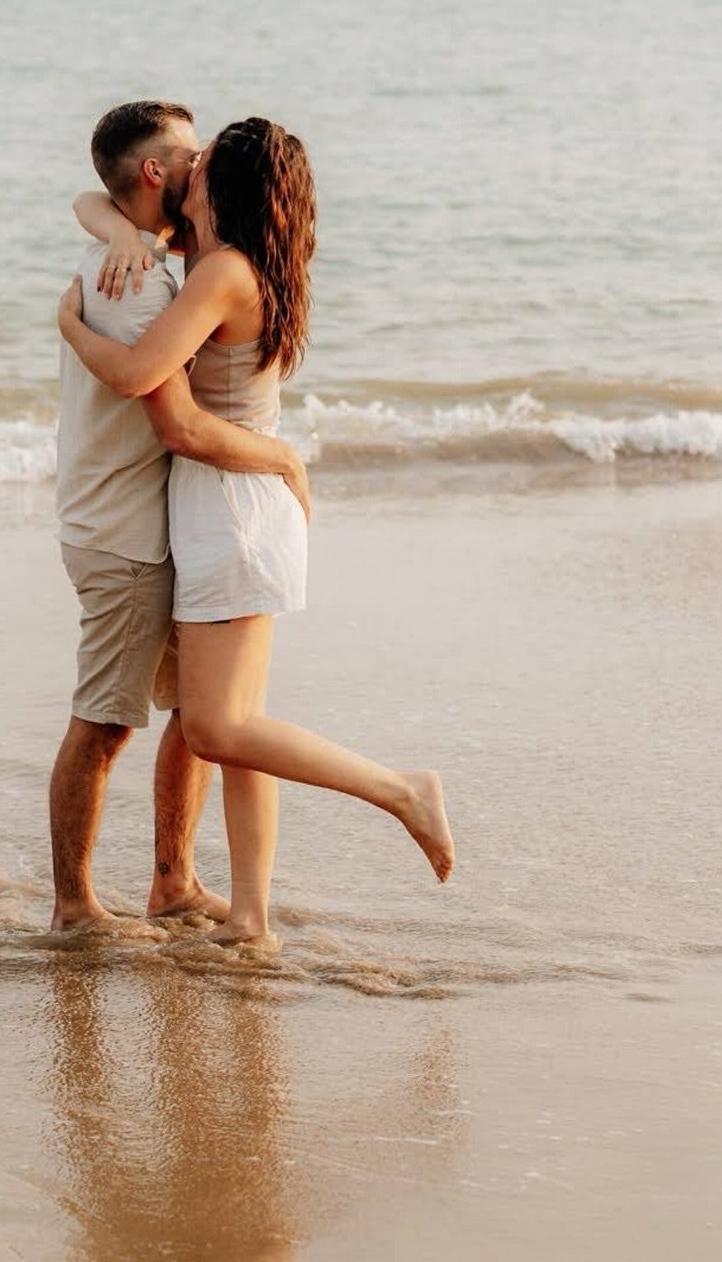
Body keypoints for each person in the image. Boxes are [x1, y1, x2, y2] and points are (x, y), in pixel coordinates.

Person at [59, 116, 454, 948]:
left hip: (231, 513)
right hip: (231, 511)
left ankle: (401, 789)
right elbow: (94, 198)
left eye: (204, 164)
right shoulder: (234, 263)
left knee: (219, 729)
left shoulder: (221, 274)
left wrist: (72, 328)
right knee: (240, 733)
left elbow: (148, 389)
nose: (191, 168)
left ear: (220, 189)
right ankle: (250, 917)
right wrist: (113, 224)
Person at [51, 101, 312, 933]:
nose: (202, 165)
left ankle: (173, 882)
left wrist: (116, 228)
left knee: (197, 723)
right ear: (159, 175)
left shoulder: (172, 263)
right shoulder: (135, 278)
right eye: (189, 154)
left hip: (179, 524)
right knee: (106, 725)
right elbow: (161, 406)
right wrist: (283, 457)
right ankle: (75, 907)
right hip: (126, 534)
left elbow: (98, 202)